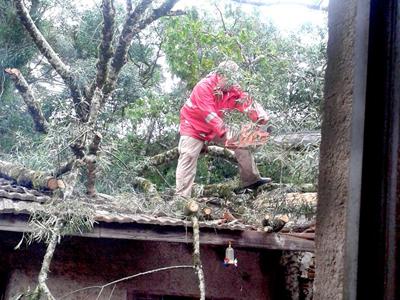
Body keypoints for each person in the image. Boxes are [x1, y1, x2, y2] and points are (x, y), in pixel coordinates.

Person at [175, 60, 271, 198]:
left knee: (242, 141)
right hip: (193, 126)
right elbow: (209, 115)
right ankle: (181, 198)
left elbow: (246, 101)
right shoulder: (204, 87)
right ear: (220, 74)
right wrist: (226, 133)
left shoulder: (233, 88)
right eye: (229, 78)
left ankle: (251, 180)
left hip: (215, 126)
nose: (232, 82)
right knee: (188, 155)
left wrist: (261, 117)